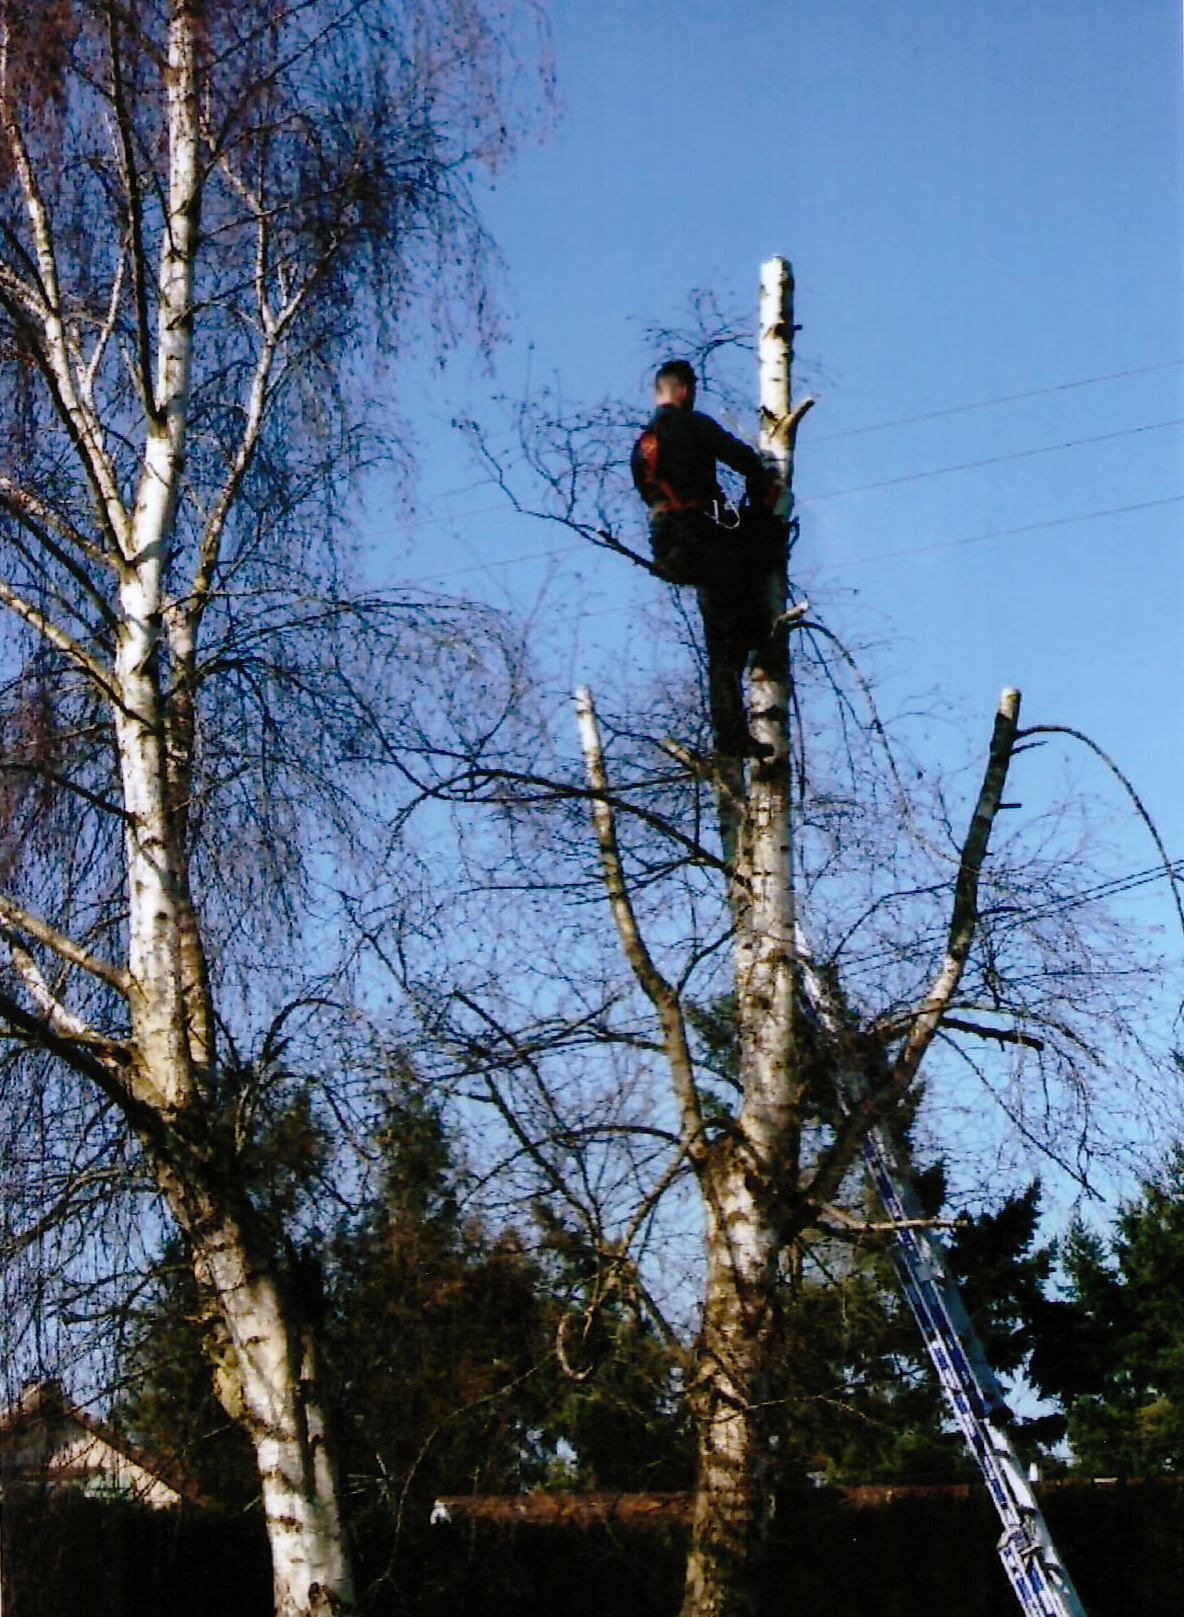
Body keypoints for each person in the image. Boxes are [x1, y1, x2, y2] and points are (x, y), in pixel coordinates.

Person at [631, 359, 782, 759]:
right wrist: (764, 481)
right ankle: (760, 637)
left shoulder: (643, 445)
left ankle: (730, 730)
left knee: (717, 637)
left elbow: (652, 495)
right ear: (683, 390)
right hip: (706, 542)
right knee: (751, 573)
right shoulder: (693, 424)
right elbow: (745, 461)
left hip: (669, 549)